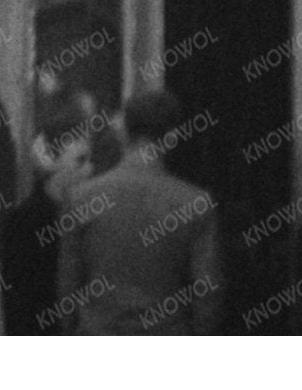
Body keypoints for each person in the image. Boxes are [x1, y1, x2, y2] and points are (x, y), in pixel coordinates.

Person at [60, 85, 223, 333]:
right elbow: (207, 293)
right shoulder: (195, 204)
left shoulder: (81, 199)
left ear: (124, 133)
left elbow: (67, 288)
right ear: (172, 137)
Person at [0, 92, 97, 338]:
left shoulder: (87, 215)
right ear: (52, 161)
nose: (89, 170)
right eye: (80, 161)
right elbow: (17, 304)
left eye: (89, 160)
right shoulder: (27, 220)